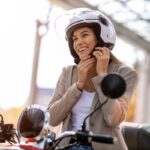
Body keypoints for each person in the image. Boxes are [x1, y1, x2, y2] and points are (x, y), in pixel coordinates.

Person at [48, 8, 137, 150]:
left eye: (84, 35)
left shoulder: (125, 73)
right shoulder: (67, 72)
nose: (78, 43)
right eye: (75, 38)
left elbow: (114, 119)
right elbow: (52, 118)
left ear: (101, 37)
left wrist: (102, 76)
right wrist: (78, 85)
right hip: (68, 145)